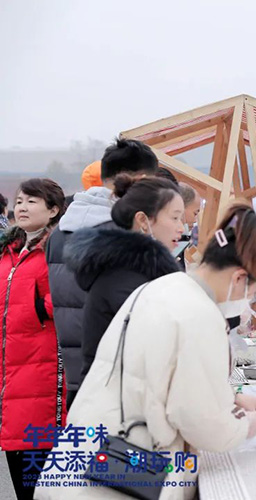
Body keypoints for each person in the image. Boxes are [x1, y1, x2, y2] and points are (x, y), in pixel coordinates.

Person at [36, 202, 256, 500]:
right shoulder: (199, 313)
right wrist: (245, 425)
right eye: (250, 295)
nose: (246, 302)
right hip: (117, 479)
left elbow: (154, 377)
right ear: (240, 277)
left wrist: (229, 397)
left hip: (78, 460)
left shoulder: (160, 287)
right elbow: (200, 423)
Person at [46, 137, 158, 408]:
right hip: (119, 378)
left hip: (77, 375)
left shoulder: (59, 232)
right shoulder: (125, 231)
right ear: (139, 179)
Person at [64, 176, 184, 387]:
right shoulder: (126, 279)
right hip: (118, 407)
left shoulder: (138, 271)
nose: (181, 228)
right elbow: (160, 354)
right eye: (175, 218)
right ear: (143, 221)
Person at [1, 179, 66, 500]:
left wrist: (41, 308)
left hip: (42, 374)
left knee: (40, 477)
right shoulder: (7, 251)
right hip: (10, 372)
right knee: (17, 459)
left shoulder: (60, 248)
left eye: (32, 202)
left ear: (53, 210)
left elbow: (73, 295)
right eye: (20, 201)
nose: (22, 207)